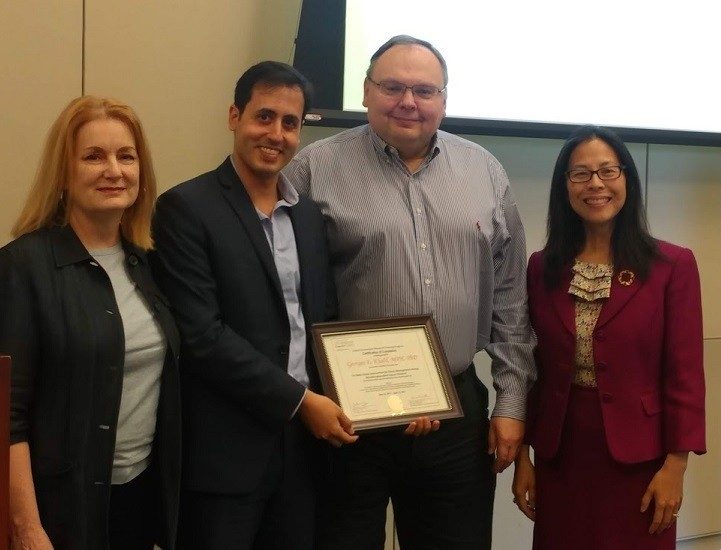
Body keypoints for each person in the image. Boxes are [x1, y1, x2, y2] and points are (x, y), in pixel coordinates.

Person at [283, 35, 536, 550]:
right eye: (392, 87)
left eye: (424, 90)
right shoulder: (313, 168)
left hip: (457, 413)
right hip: (348, 417)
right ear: (366, 92)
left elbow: (511, 295)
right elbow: (284, 289)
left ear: (444, 99)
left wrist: (511, 404)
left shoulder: (484, 170)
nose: (408, 102)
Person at [150, 61, 358, 550]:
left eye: (290, 123)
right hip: (226, 459)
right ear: (234, 116)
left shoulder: (308, 216)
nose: (276, 134)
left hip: (305, 455)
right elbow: (202, 335)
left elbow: (321, 322)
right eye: (264, 116)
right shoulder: (186, 208)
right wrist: (302, 401)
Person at [512, 125, 706, 549]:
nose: (595, 184)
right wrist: (523, 456)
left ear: (627, 179)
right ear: (564, 186)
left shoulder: (671, 265)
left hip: (641, 459)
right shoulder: (542, 267)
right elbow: (531, 367)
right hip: (561, 455)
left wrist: (676, 466)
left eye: (607, 171)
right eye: (580, 174)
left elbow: (685, 375)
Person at [1, 96, 181, 550]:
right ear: (63, 173)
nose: (114, 171)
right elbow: (7, 417)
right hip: (59, 511)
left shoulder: (151, 263)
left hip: (138, 497)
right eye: (94, 157)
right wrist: (27, 528)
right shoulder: (23, 267)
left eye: (126, 156)